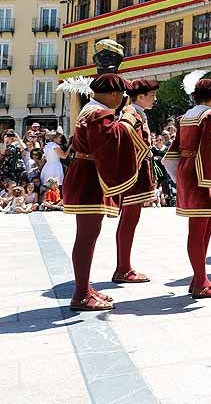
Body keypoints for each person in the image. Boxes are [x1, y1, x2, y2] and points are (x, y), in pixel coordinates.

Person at [62, 73, 147, 311]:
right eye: (121, 96)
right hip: (89, 179)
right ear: (113, 94)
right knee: (87, 237)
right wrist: (128, 120)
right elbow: (110, 139)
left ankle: (84, 287)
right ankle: (80, 294)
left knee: (88, 236)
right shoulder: (99, 113)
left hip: (87, 175)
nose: (122, 102)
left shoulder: (92, 110)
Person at [166, 76, 211, 300]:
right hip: (205, 173)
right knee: (200, 229)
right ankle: (201, 282)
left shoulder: (186, 117)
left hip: (187, 170)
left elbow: (174, 150)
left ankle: (199, 278)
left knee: (199, 227)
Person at [113, 79, 159, 285]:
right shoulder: (131, 112)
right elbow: (123, 133)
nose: (155, 99)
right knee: (129, 221)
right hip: (134, 174)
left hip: (137, 173)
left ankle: (124, 266)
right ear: (140, 96)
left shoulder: (137, 112)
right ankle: (123, 268)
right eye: (152, 95)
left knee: (130, 220)